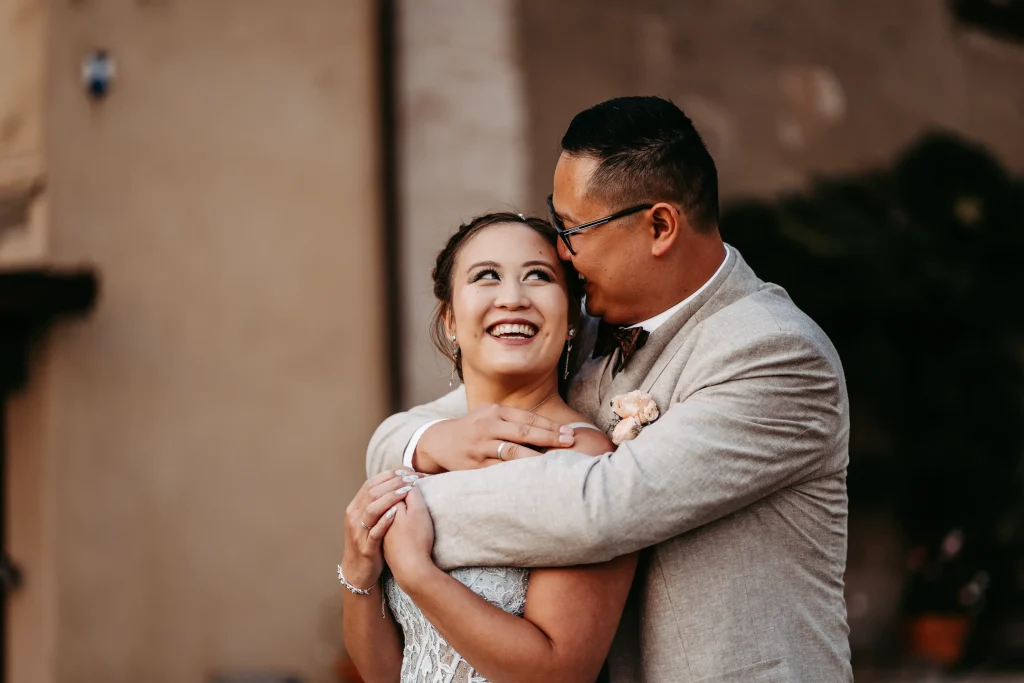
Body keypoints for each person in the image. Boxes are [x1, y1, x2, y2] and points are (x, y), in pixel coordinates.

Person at [365, 96, 853, 683]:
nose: (563, 255)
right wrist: (426, 444)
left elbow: (600, 510)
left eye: (574, 229)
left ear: (660, 226)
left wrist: (398, 514)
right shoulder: (586, 333)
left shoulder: (775, 354)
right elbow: (419, 428)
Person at [341, 212, 637, 683]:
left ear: (571, 321)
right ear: (451, 319)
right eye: (487, 276)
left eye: (538, 276)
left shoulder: (581, 458)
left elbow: (560, 672)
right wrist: (356, 572)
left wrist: (417, 573)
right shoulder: (426, 451)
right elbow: (386, 673)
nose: (513, 298)